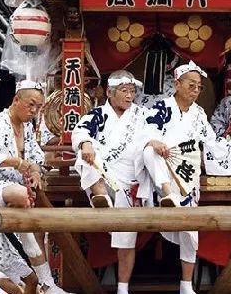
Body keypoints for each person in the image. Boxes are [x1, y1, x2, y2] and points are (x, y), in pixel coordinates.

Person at [135, 61, 231, 294]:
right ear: (177, 85)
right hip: (163, 170)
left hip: (187, 172)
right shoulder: (163, 108)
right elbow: (146, 133)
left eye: (199, 87)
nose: (195, 90)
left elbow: (212, 143)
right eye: (191, 85)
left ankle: (186, 285)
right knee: (149, 151)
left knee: (190, 229)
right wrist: (154, 141)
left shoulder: (199, 114)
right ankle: (168, 195)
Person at [0, 80, 67, 294]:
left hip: (14, 188)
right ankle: (42, 282)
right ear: (16, 100)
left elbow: (36, 159)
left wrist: (35, 173)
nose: (34, 111)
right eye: (31, 105)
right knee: (22, 196)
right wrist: (21, 164)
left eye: (38, 107)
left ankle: (48, 284)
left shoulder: (27, 128)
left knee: (31, 234)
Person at [72, 70, 150, 294]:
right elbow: (81, 131)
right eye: (124, 91)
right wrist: (85, 144)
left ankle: (122, 288)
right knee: (85, 150)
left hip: (130, 180)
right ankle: (101, 197)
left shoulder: (141, 115)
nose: (129, 96)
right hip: (103, 178)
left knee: (126, 236)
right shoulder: (98, 114)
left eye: (132, 91)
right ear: (110, 92)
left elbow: (155, 133)